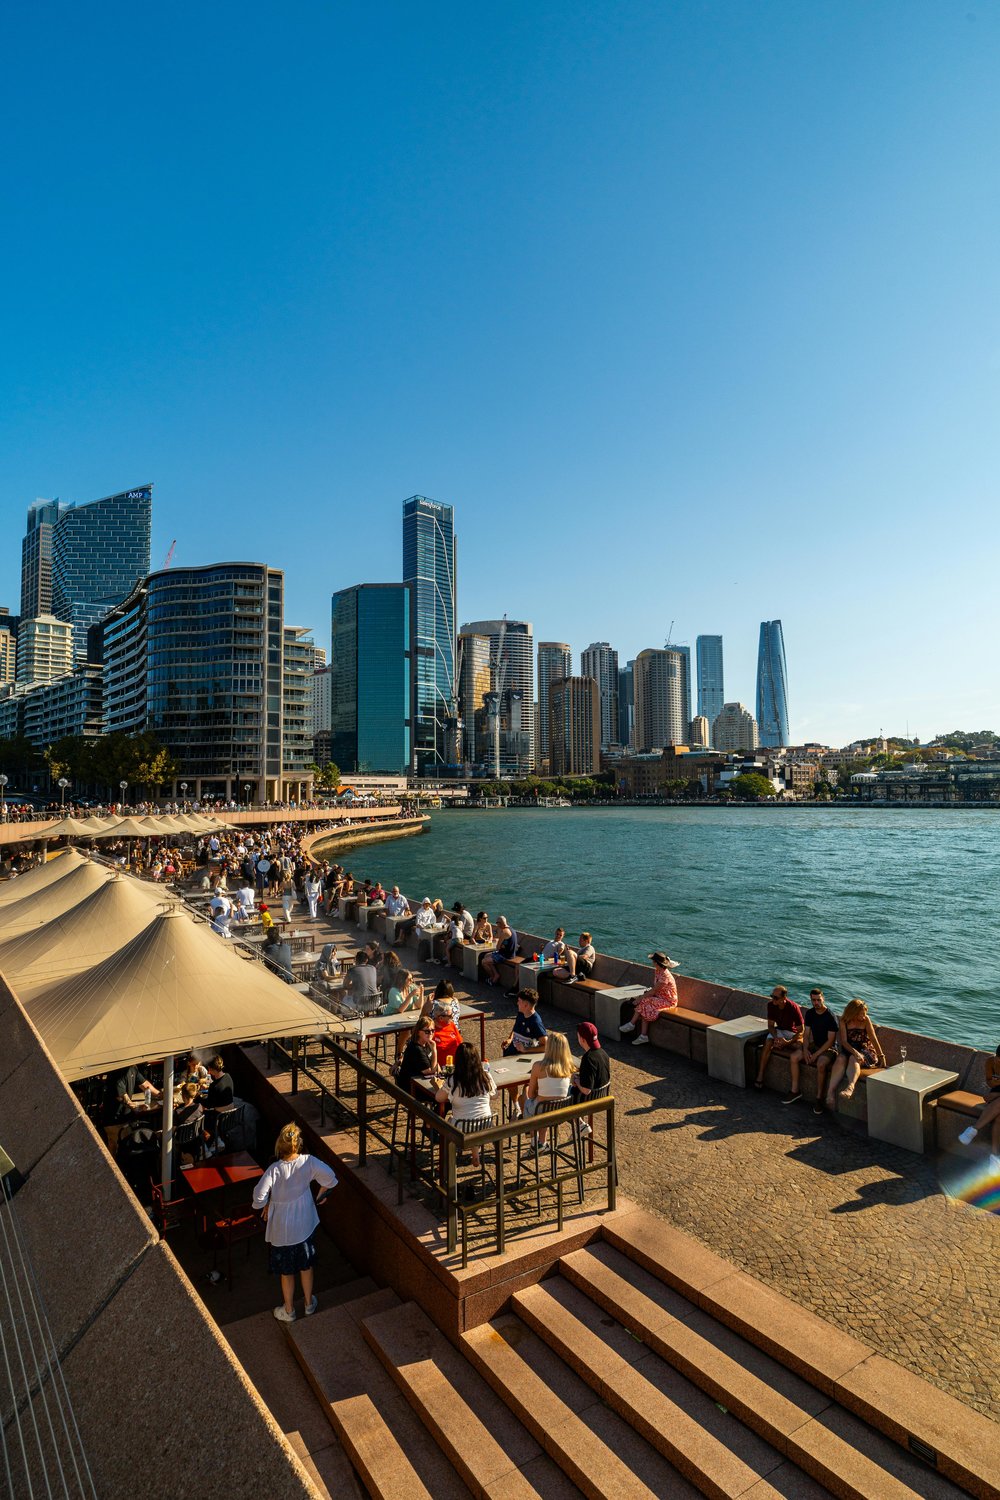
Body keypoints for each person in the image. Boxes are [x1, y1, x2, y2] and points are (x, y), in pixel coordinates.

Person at [252, 1123, 338, 1323]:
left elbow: (258, 1197)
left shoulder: (274, 1170)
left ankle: (289, 1310)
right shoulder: (309, 1162)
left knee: (286, 1270)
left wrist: (266, 1204)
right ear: (299, 1144)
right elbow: (330, 1178)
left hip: (282, 1229)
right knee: (306, 1266)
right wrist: (322, 1194)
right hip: (305, 1223)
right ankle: (309, 1303)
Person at [435, 1043, 496, 1169]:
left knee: (451, 1122)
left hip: (461, 1128)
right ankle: (475, 1154)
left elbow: (438, 1098)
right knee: (474, 1117)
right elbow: (495, 1096)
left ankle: (446, 1163)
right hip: (485, 1125)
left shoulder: (453, 1080)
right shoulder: (485, 1076)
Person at [825, 998, 887, 1109]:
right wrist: (855, 1052)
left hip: (865, 1050)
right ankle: (830, 1092)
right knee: (840, 1059)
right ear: (853, 1013)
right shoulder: (844, 1020)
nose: (864, 1016)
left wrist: (881, 1055)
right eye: (861, 1014)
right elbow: (844, 1041)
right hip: (849, 1048)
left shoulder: (866, 1020)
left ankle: (850, 1087)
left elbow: (873, 1038)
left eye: (865, 1013)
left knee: (854, 1059)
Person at [785, 989, 839, 1111]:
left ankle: (819, 1098)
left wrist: (816, 1055)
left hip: (829, 1048)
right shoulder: (810, 1013)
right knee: (794, 1057)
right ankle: (795, 1091)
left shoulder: (830, 1016)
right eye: (813, 1000)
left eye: (818, 1000)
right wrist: (805, 1049)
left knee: (820, 1064)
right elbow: (806, 1034)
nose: (816, 1002)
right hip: (814, 1045)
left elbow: (830, 1041)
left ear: (823, 999)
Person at [620, 953, 680, 1046]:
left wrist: (639, 999)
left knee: (644, 1001)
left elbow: (655, 990)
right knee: (645, 1005)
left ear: (656, 963)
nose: (652, 962)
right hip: (660, 997)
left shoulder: (665, 976)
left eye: (653, 961)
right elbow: (655, 989)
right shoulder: (658, 971)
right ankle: (642, 1035)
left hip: (668, 1001)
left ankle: (632, 1025)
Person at [753, 985, 805, 1086]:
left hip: (792, 1032)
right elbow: (771, 1026)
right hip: (780, 1030)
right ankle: (760, 1075)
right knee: (768, 1043)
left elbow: (801, 1031)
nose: (773, 999)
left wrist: (788, 1042)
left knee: (799, 1046)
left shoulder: (793, 1007)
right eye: (772, 996)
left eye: (776, 998)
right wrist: (776, 1038)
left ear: (784, 998)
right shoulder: (771, 1005)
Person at [958, 1045, 1000, 1165]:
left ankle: (973, 1129)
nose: (999, 1062)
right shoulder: (990, 1062)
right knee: (998, 1117)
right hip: (997, 1093)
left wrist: (994, 1096)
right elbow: (990, 1082)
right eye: (998, 1058)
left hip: (996, 1096)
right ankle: (995, 1158)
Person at [524, 1031, 573, 1134]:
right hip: (559, 1111)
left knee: (526, 1095)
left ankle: (534, 1139)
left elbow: (531, 1095)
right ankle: (541, 1141)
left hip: (541, 1111)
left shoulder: (538, 1066)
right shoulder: (568, 1068)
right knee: (545, 1099)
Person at [571, 1022, 611, 1138]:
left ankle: (580, 1125)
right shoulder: (603, 1053)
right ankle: (580, 1126)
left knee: (564, 1096)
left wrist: (576, 1080)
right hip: (603, 1095)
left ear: (582, 1039)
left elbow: (586, 1090)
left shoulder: (588, 1058)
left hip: (590, 1099)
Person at [204, 1055, 235, 1155]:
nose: (208, 1072)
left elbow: (208, 1104)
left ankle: (210, 1143)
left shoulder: (214, 1086)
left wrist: (198, 1098)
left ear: (213, 1069)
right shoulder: (228, 1077)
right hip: (231, 1116)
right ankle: (217, 1139)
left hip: (219, 1118)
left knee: (201, 1114)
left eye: (209, 1069)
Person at [502, 990, 547, 1059]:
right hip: (510, 1054)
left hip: (521, 1059)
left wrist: (526, 1050)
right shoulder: (521, 1013)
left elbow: (546, 1046)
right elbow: (515, 1028)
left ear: (526, 1005)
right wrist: (510, 1039)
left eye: (519, 1001)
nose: (517, 1003)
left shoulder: (535, 1022)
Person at [396, 1018, 438, 1092]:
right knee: (444, 1097)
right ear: (418, 1032)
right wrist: (435, 1050)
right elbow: (431, 1072)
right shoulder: (416, 1049)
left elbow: (436, 1067)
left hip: (421, 1082)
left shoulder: (427, 1043)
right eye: (427, 1031)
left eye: (432, 1030)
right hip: (411, 1088)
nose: (431, 1034)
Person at [481, 916, 518, 987]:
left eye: (497, 923)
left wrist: (500, 944)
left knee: (484, 962)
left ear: (500, 923)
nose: (497, 925)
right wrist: (501, 945)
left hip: (505, 955)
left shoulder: (504, 932)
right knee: (486, 955)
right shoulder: (511, 929)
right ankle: (496, 974)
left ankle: (493, 977)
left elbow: (497, 947)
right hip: (510, 953)